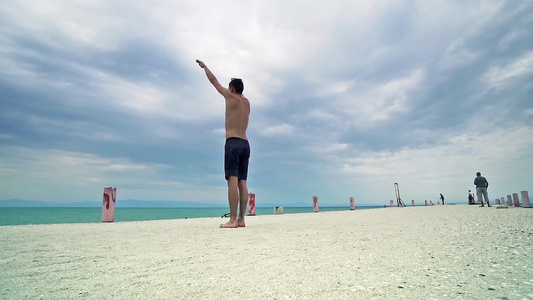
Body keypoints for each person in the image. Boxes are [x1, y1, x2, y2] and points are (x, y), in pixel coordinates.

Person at [196, 59, 251, 228]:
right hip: (245, 144)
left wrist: (205, 67)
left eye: (229, 87)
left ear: (232, 89)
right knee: (243, 182)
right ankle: (242, 219)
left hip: (233, 142)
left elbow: (214, 81)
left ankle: (233, 219)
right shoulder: (247, 103)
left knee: (232, 180)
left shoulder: (230, 96)